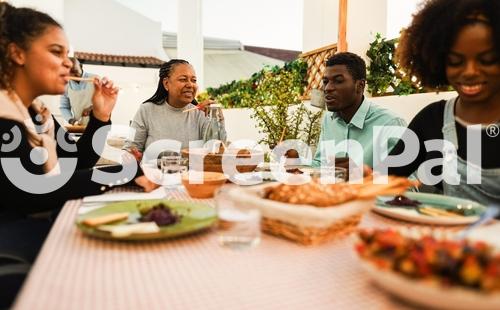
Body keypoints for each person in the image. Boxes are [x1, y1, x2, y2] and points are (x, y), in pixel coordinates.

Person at [0, 2, 156, 292]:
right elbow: (31, 190)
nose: (69, 64)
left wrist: (101, 115)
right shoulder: (4, 115)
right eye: (56, 52)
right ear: (17, 53)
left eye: (68, 55)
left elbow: (77, 160)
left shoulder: (37, 114)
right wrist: (122, 172)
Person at [383, 0, 500, 205]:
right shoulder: (433, 119)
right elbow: (386, 179)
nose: (470, 71)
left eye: (487, 60)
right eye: (455, 62)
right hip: (450, 237)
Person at [312, 52, 407, 169]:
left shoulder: (391, 124)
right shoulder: (328, 120)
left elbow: (408, 185)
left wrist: (363, 177)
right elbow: (321, 164)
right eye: (326, 82)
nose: (327, 88)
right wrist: (296, 162)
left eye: (338, 81)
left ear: (360, 85)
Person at [123, 59, 227, 160]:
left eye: (193, 80)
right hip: (154, 176)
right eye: (183, 79)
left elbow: (216, 152)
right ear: (166, 83)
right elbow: (129, 151)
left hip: (191, 176)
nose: (190, 85)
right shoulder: (146, 110)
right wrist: (132, 158)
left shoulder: (202, 113)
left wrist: (217, 118)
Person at [59, 57, 97, 125]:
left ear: (81, 66)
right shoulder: (65, 85)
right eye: (69, 73)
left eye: (75, 71)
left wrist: (93, 107)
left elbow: (104, 102)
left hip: (97, 124)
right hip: (79, 125)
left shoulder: (95, 79)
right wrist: (71, 120)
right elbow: (64, 107)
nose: (72, 75)